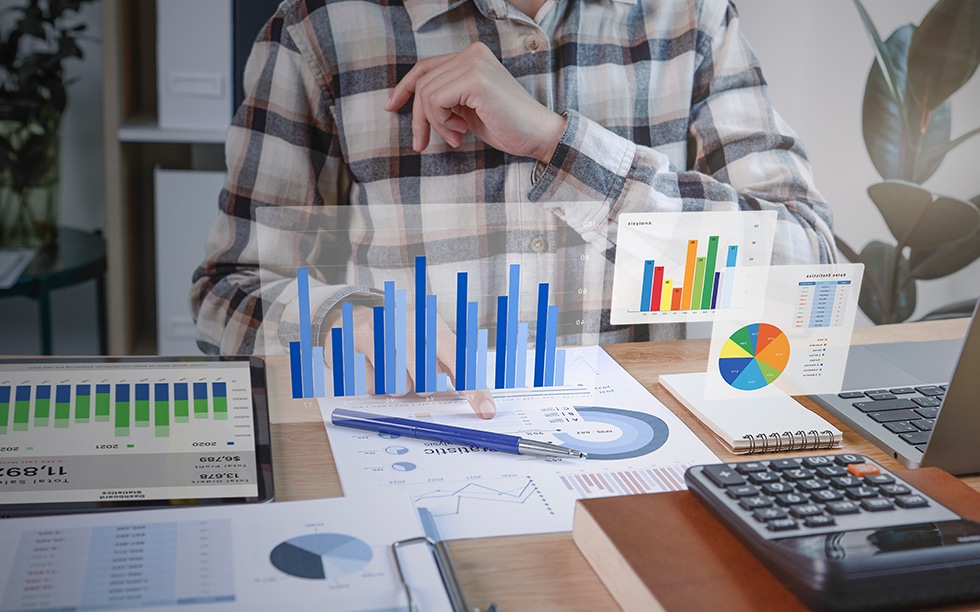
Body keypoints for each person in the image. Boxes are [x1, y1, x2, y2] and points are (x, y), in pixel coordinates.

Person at [190, 0, 837, 418]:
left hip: (636, 473)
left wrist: (558, 144)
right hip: (413, 472)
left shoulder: (690, 19)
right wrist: (341, 323)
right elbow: (228, 295)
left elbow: (807, 275)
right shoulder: (317, 32)